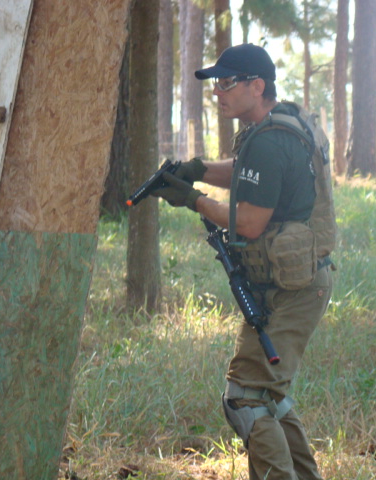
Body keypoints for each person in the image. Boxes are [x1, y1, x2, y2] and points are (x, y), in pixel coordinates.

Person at [151, 43, 335, 480]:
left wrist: (193, 198)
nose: (218, 91)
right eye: (216, 83)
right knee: (266, 394)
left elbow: (249, 223)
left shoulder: (270, 139)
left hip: (294, 289)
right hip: (291, 282)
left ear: (257, 86)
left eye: (227, 82)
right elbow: (247, 171)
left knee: (246, 397)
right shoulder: (277, 125)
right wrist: (196, 169)